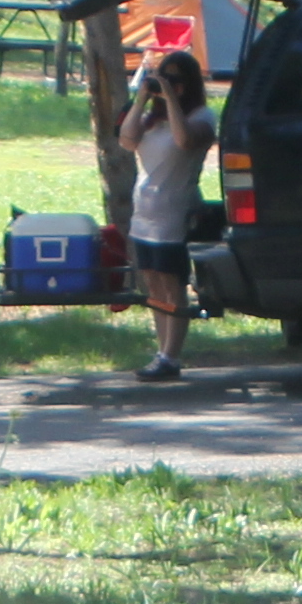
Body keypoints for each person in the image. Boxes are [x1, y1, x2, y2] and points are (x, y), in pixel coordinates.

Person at [121, 48, 210, 382]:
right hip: (144, 211)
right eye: (164, 78)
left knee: (173, 286)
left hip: (173, 212)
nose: (169, 85)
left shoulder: (201, 117)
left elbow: (185, 140)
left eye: (176, 80)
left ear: (189, 85)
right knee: (154, 284)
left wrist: (171, 99)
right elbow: (127, 140)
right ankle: (162, 353)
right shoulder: (152, 119)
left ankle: (171, 356)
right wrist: (143, 97)